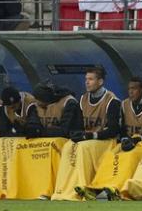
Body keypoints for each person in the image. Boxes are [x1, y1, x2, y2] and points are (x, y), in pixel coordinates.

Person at [52, 66, 122, 201]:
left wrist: (91, 136)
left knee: (83, 148)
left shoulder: (111, 101)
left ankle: (85, 187)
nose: (87, 82)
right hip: (88, 139)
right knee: (68, 146)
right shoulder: (83, 99)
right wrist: (77, 135)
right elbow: (78, 125)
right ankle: (63, 190)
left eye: (91, 79)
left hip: (106, 141)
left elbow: (113, 130)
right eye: (86, 79)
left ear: (100, 82)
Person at [88, 76, 142, 200]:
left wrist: (139, 139)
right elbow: (121, 130)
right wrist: (124, 139)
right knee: (111, 154)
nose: (130, 92)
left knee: (130, 157)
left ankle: (116, 188)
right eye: (129, 89)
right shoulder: (124, 104)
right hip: (129, 142)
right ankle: (98, 186)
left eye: (134, 89)